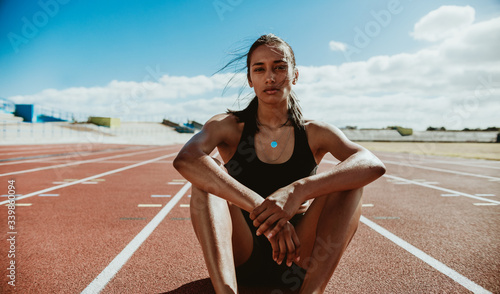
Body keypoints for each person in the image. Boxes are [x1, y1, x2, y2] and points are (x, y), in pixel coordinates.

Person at [173, 34, 386, 294]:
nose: (270, 77)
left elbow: (371, 163)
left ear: (295, 75)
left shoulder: (314, 132)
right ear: (250, 80)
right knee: (206, 177)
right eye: (259, 69)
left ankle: (312, 292)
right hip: (241, 253)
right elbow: (187, 159)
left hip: (298, 255)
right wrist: (265, 210)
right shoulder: (228, 127)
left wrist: (297, 191)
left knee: (350, 182)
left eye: (280, 67)